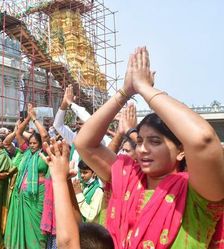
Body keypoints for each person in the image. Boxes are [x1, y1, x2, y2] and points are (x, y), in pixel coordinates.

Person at [74, 47, 224, 248]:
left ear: (181, 151)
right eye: (139, 141)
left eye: (155, 142)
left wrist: (144, 88)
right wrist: (124, 92)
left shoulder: (197, 193)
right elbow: (84, 143)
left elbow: (203, 140)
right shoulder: (127, 176)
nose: (143, 149)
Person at [4, 104, 49, 249]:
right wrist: (28, 116)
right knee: (23, 226)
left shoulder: (44, 153)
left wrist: (35, 119)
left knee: (36, 228)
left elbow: (44, 135)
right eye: (30, 143)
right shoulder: (27, 152)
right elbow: (18, 133)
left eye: (35, 143)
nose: (32, 145)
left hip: (38, 196)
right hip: (22, 195)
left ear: (41, 144)